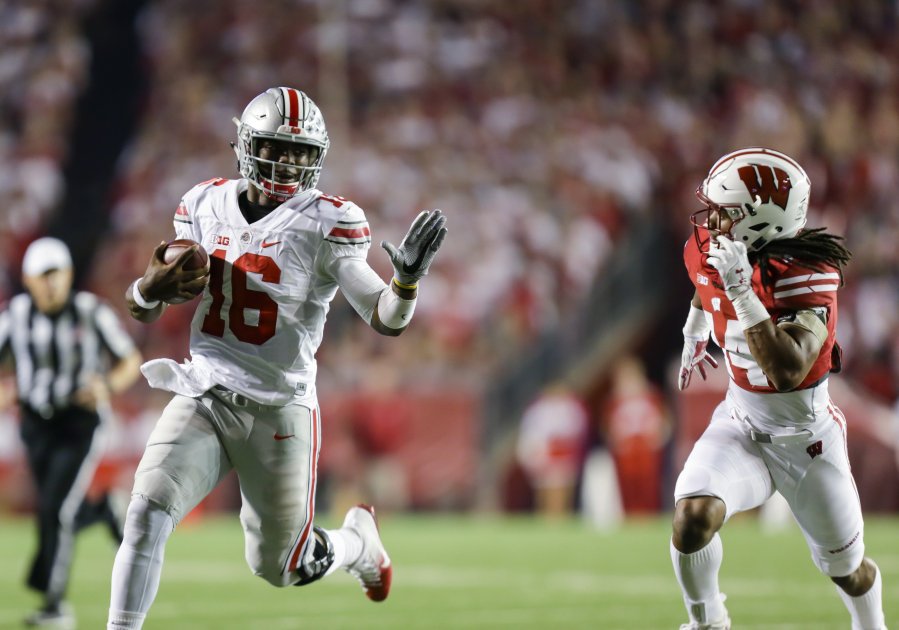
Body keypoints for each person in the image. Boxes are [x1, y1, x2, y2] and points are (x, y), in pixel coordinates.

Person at [107, 87, 447, 629]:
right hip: (207, 393)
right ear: (246, 145)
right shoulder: (203, 203)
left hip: (278, 412)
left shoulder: (327, 221)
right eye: (276, 147)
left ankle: (357, 545)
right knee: (146, 511)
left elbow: (384, 318)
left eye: (301, 152)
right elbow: (142, 306)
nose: (288, 162)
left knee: (279, 567)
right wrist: (150, 287)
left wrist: (405, 281)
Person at [672, 147, 886, 629]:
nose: (713, 222)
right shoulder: (714, 247)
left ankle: (871, 624)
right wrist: (695, 325)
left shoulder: (807, 274)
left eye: (726, 213)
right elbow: (703, 279)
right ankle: (708, 623)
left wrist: (742, 292)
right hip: (741, 422)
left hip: (805, 441)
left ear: (760, 221)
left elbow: (786, 369)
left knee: (846, 570)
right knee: (692, 518)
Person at [0, 236, 143, 628]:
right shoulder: (15, 315)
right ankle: (100, 510)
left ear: (69, 275)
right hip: (35, 424)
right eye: (42, 276)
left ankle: (55, 605)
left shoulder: (89, 311)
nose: (51, 284)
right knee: (52, 506)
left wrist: (107, 386)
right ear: (27, 280)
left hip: (79, 422)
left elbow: (129, 359)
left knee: (54, 509)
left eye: (56, 275)